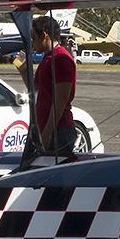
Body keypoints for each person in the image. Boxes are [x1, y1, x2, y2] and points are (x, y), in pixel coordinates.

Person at [17, 15, 77, 153]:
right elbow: (39, 91)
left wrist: (48, 132)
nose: (32, 44)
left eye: (34, 39)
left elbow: (60, 99)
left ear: (44, 36)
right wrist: (23, 71)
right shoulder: (49, 58)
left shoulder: (60, 59)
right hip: (44, 128)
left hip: (58, 131)